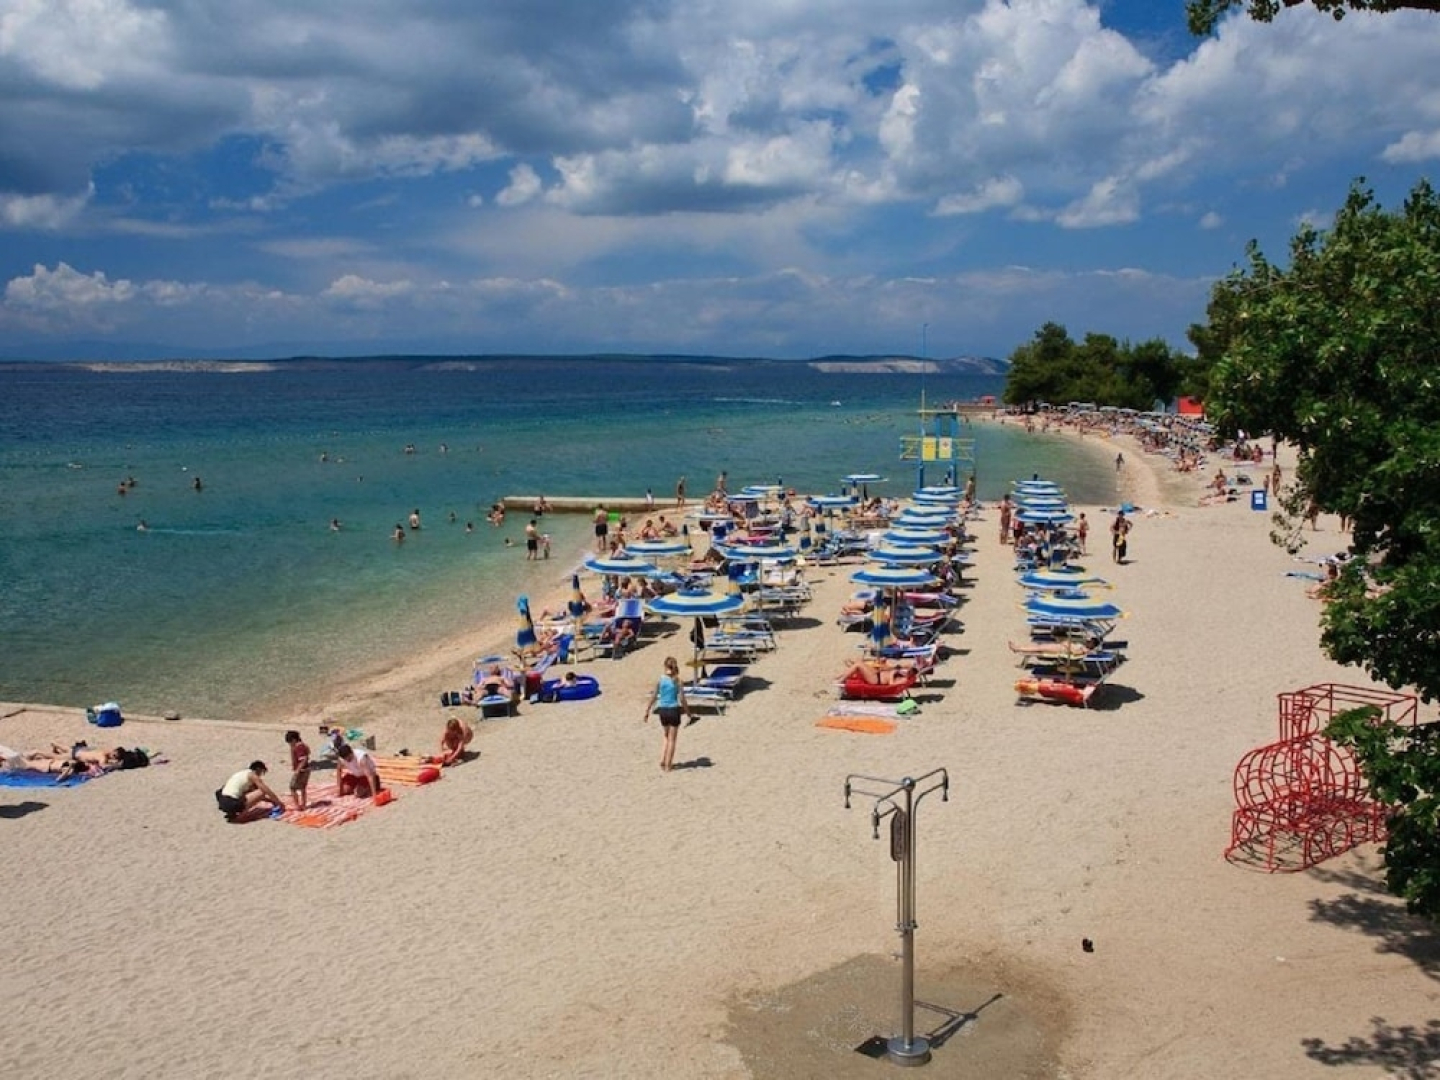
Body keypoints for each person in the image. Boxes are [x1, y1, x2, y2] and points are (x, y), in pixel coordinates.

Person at [644, 656, 693, 772]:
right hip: (673, 710)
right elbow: (682, 699)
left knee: (666, 736)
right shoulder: (678, 681)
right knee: (672, 740)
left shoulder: (661, 680)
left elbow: (654, 696)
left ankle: (662, 760)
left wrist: (647, 711)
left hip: (662, 710)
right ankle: (668, 765)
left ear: (665, 666)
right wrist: (688, 712)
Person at [215, 761, 284, 821]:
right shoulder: (252, 775)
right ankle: (240, 816)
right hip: (231, 803)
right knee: (261, 792)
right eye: (261, 773)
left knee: (246, 793)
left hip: (223, 802)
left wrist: (271, 801)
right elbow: (266, 791)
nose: (260, 776)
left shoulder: (241, 774)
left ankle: (231, 813)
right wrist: (278, 802)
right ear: (258, 769)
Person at [285, 730, 311, 811]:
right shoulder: (302, 745)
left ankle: (298, 805)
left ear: (293, 740)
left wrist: (297, 770)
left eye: (290, 742)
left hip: (302, 770)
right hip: (306, 769)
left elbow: (304, 759)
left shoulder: (298, 747)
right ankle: (303, 804)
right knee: (303, 788)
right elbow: (308, 753)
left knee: (292, 787)